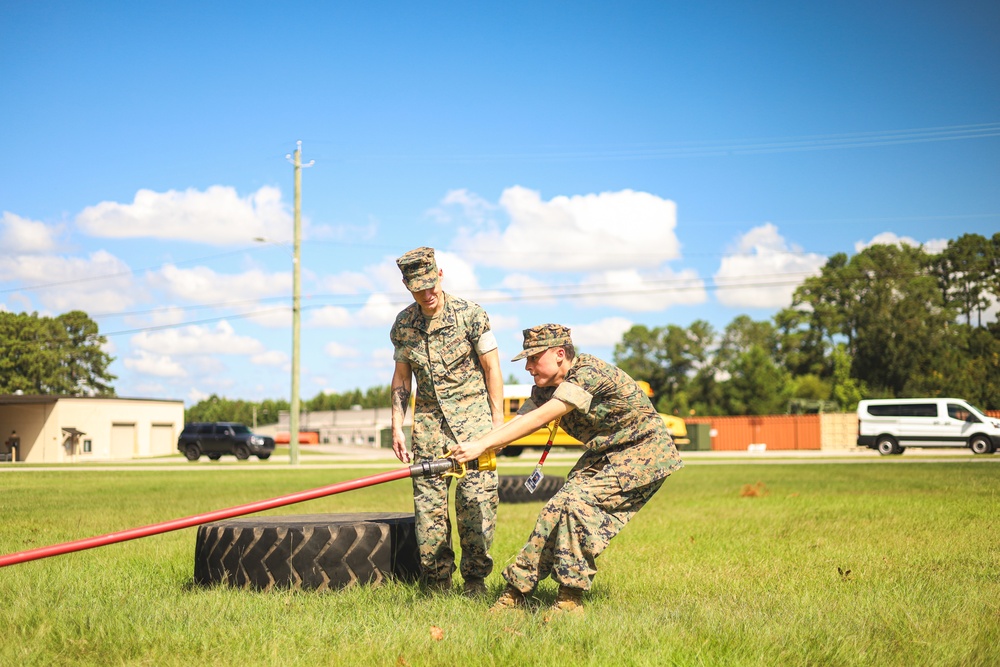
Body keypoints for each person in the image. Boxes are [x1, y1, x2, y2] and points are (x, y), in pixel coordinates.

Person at [450, 323, 683, 617]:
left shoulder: (588, 373)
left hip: (643, 452)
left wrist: (482, 445)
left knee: (576, 506)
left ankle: (570, 601)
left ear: (560, 354)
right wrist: (479, 447)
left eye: (534, 358)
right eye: (527, 361)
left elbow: (543, 416)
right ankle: (516, 593)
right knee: (554, 508)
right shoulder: (545, 388)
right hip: (606, 452)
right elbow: (520, 420)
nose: (529, 368)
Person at [389, 247, 504, 596]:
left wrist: (498, 425)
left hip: (475, 427)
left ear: (440, 274)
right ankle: (437, 584)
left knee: (477, 503)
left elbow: (492, 369)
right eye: (417, 288)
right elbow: (401, 380)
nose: (426, 293)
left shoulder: (471, 315)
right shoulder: (403, 325)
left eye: (430, 284)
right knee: (429, 508)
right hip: (427, 428)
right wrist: (398, 424)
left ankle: (474, 581)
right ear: (408, 287)